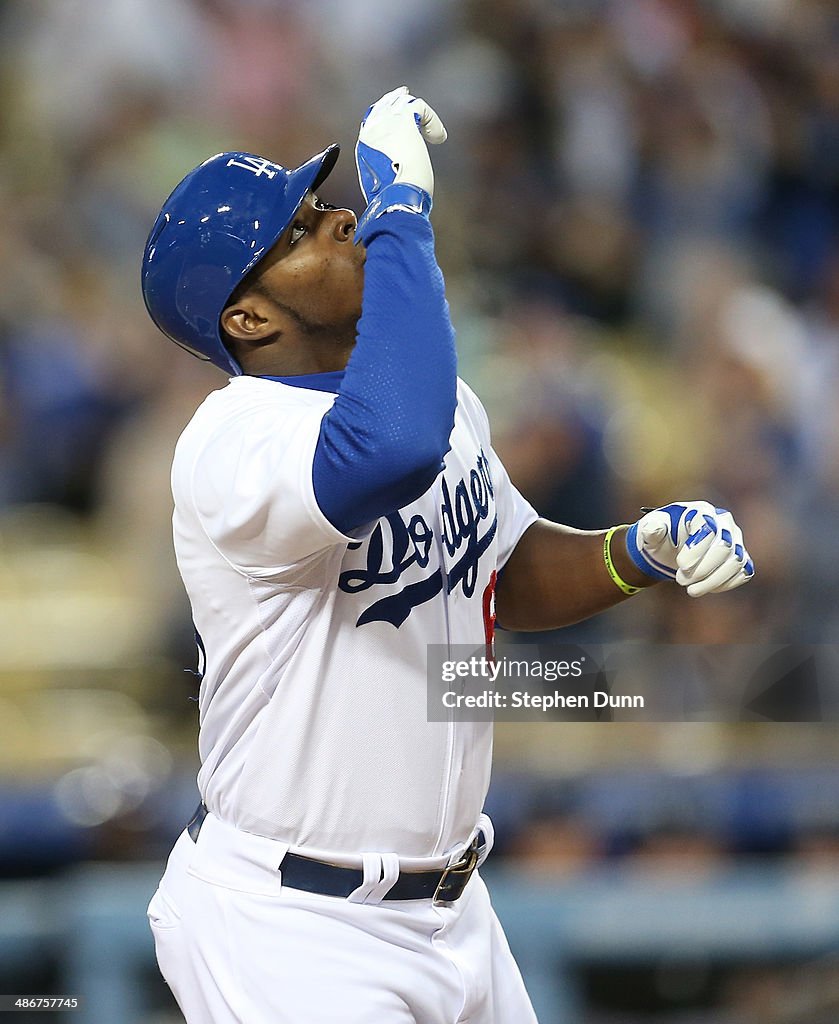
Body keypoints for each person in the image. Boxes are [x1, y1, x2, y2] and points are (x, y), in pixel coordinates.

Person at [141, 87, 754, 1024]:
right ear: (249, 320)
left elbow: (501, 570)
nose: (339, 213)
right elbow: (390, 447)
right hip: (291, 925)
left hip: (454, 907)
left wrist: (635, 550)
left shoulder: (436, 400)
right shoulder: (233, 440)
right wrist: (403, 217)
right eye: (301, 230)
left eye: (327, 204)